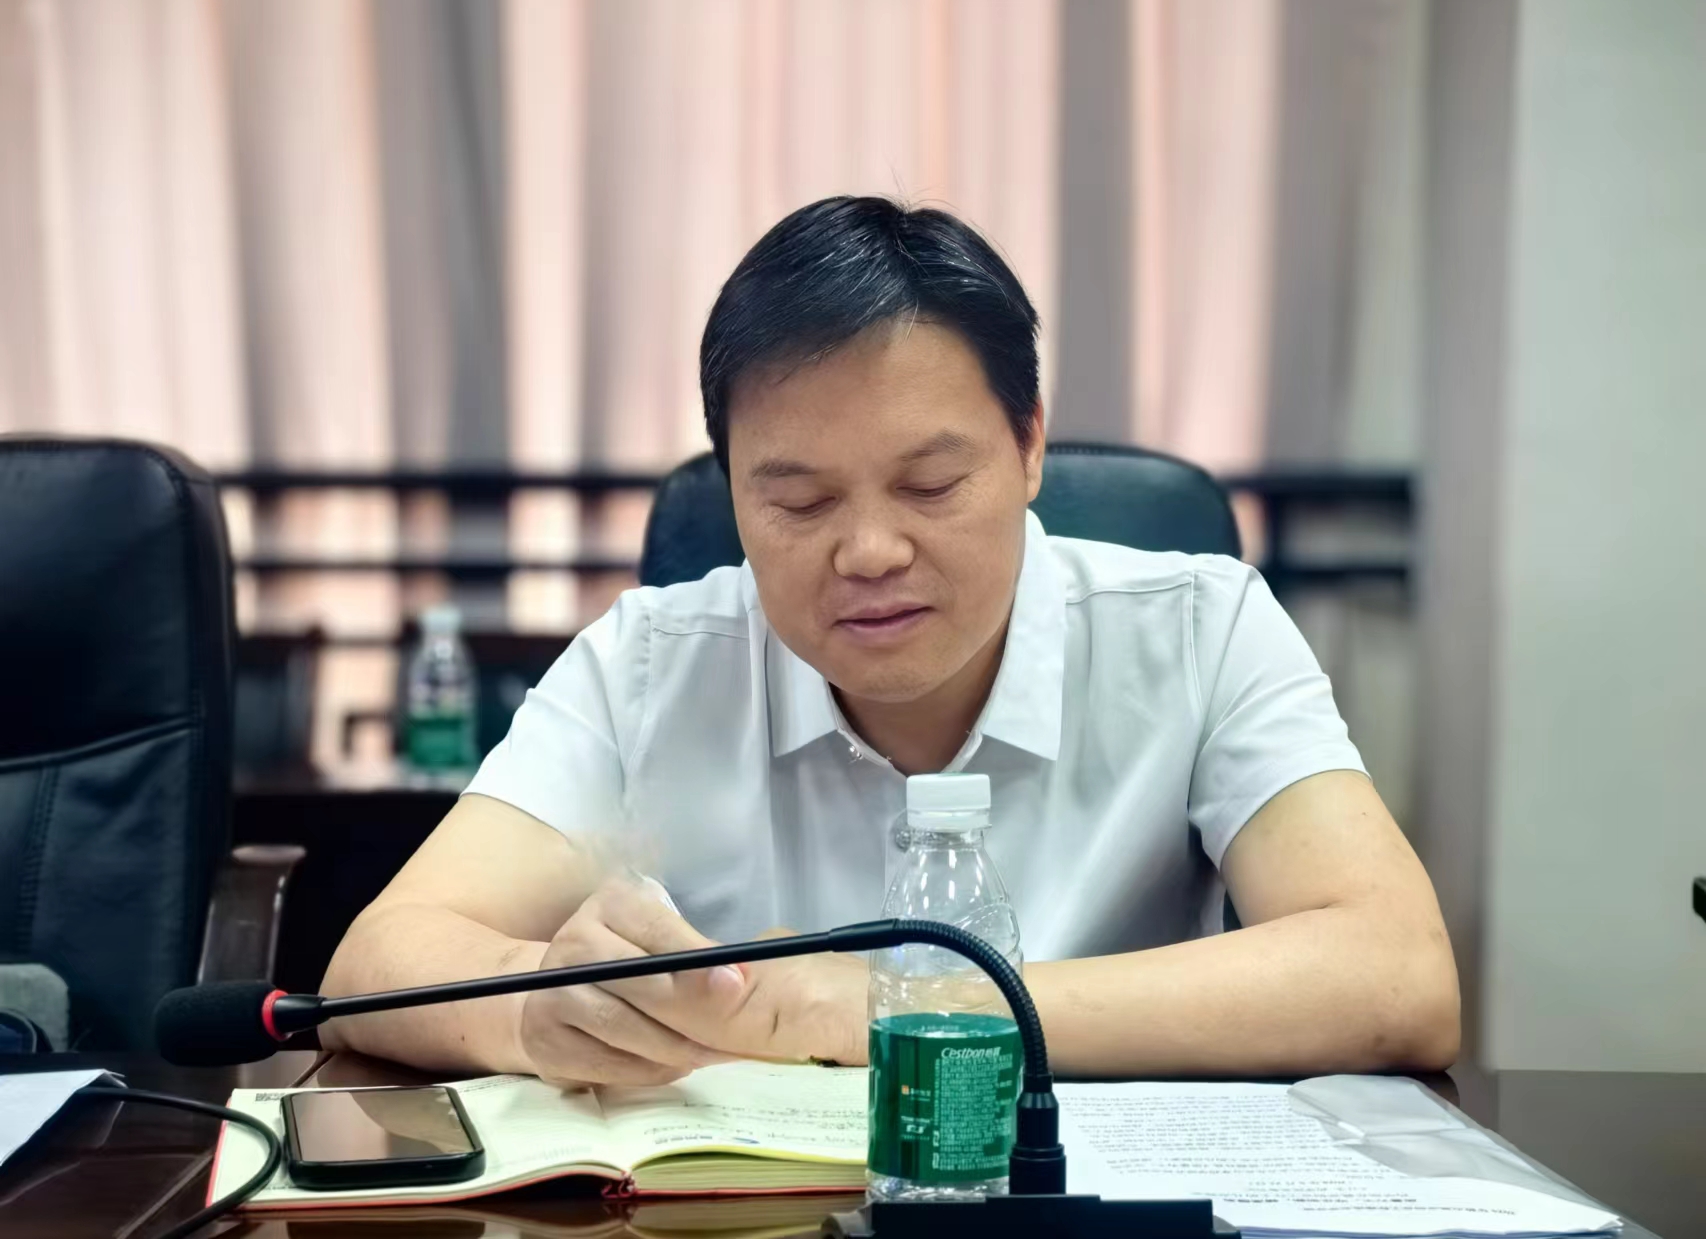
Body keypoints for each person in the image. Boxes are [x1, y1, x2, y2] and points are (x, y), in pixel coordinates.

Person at [320, 196, 1459, 1086]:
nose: (868, 551)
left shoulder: (1201, 630)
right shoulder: (651, 663)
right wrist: (538, 1004)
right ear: (732, 490)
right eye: (799, 501)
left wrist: (881, 1010)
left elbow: (1396, 973)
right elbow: (379, 958)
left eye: (929, 484)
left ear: (1028, 447)